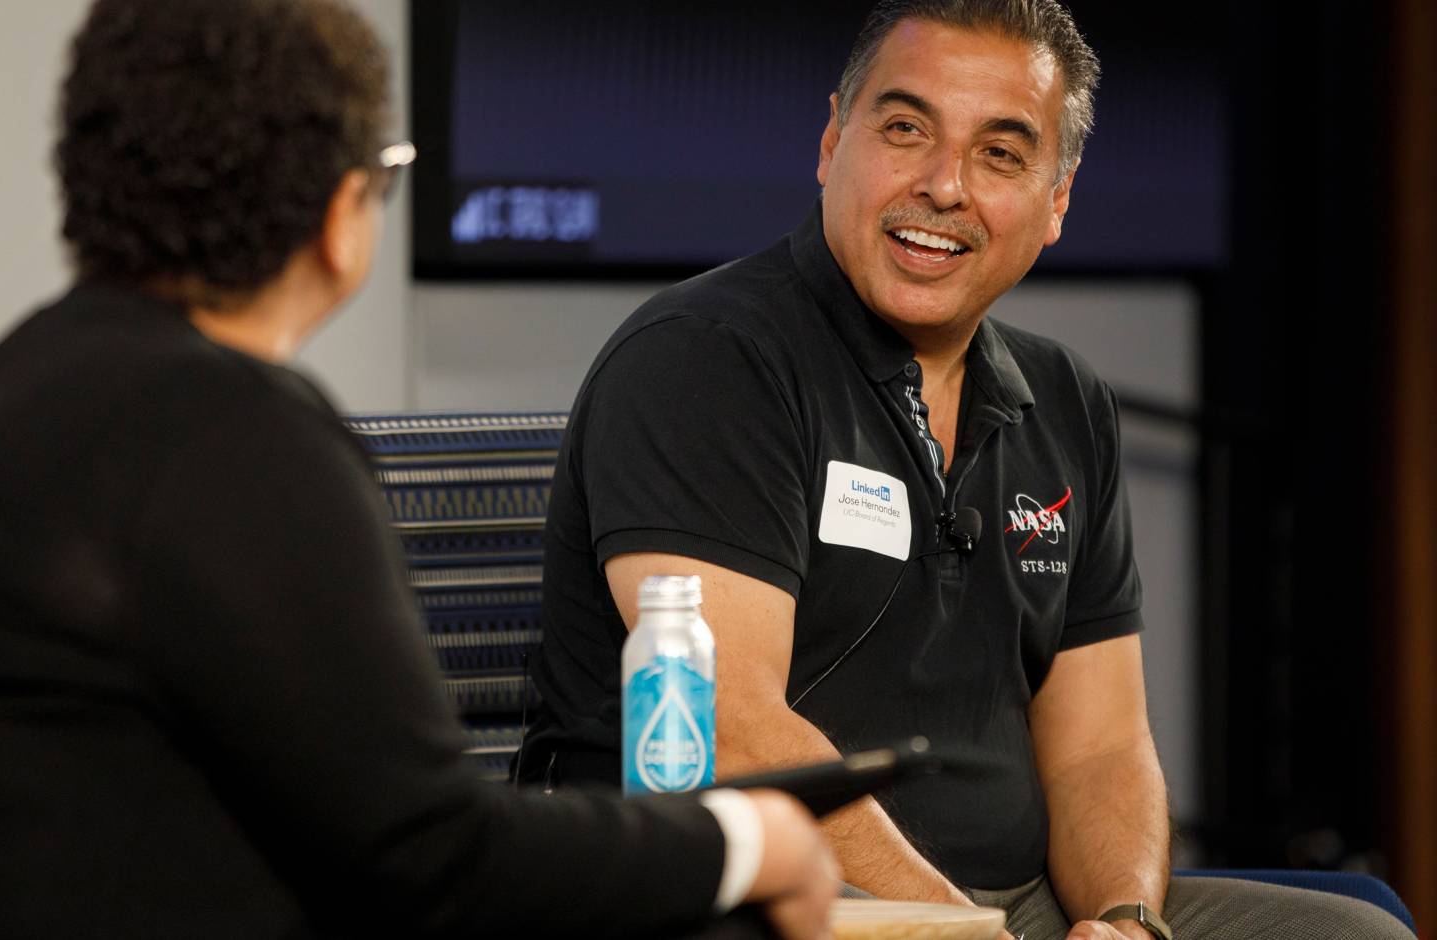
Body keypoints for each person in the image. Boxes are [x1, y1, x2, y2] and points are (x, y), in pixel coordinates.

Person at [0, 1, 843, 937]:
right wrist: (749, 839)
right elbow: (439, 863)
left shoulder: (4, 397)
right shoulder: (233, 432)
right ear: (341, 215)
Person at [516, 2, 1414, 939]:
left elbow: (1101, 752)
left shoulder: (1068, 401)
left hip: (1008, 910)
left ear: (1057, 200)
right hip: (758, 896)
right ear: (832, 141)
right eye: (905, 129)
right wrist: (957, 933)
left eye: (1000, 153)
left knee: (1356, 931)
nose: (943, 185)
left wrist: (1125, 920)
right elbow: (734, 732)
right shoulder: (705, 358)